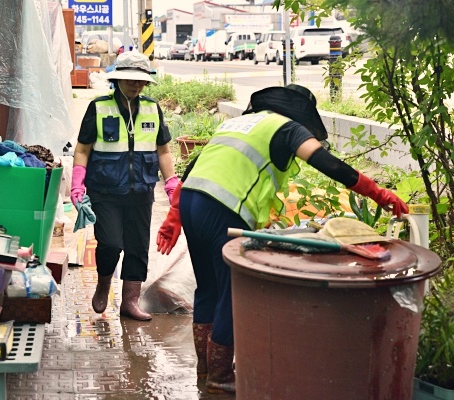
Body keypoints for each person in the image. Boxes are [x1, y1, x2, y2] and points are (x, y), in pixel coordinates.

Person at [156, 84, 408, 394]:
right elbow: (328, 164)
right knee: (229, 292)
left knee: (207, 288)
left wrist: (174, 219)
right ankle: (220, 377)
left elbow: (193, 170)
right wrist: (378, 193)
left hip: (193, 203)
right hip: (223, 209)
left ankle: (206, 369)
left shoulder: (236, 123)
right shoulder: (286, 128)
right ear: (300, 113)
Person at [71, 52, 179, 321]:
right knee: (109, 243)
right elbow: (83, 149)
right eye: (130, 80)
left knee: (137, 247)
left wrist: (172, 183)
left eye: (141, 81)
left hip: (141, 191)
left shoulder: (152, 108)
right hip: (105, 189)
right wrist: (77, 184)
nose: (136, 85)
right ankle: (103, 284)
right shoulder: (98, 107)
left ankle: (129, 302)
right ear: (118, 79)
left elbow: (163, 150)